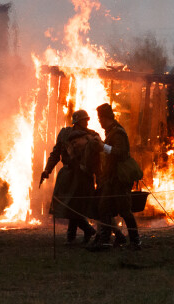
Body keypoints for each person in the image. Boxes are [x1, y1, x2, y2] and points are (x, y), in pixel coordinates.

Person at [41, 110, 97, 244]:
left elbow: (97, 156)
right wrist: (47, 169)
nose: (87, 122)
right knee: (68, 205)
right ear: (77, 121)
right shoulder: (65, 134)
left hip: (84, 175)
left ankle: (73, 236)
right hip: (68, 174)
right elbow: (55, 154)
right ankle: (86, 230)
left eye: (87, 120)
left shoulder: (91, 136)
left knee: (76, 205)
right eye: (84, 120)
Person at [92, 103, 141, 251]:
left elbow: (121, 153)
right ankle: (105, 241)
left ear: (105, 118)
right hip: (110, 179)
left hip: (120, 179)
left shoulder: (118, 133)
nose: (99, 121)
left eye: (100, 118)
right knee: (104, 208)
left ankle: (135, 242)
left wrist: (102, 146)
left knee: (125, 210)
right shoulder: (111, 132)